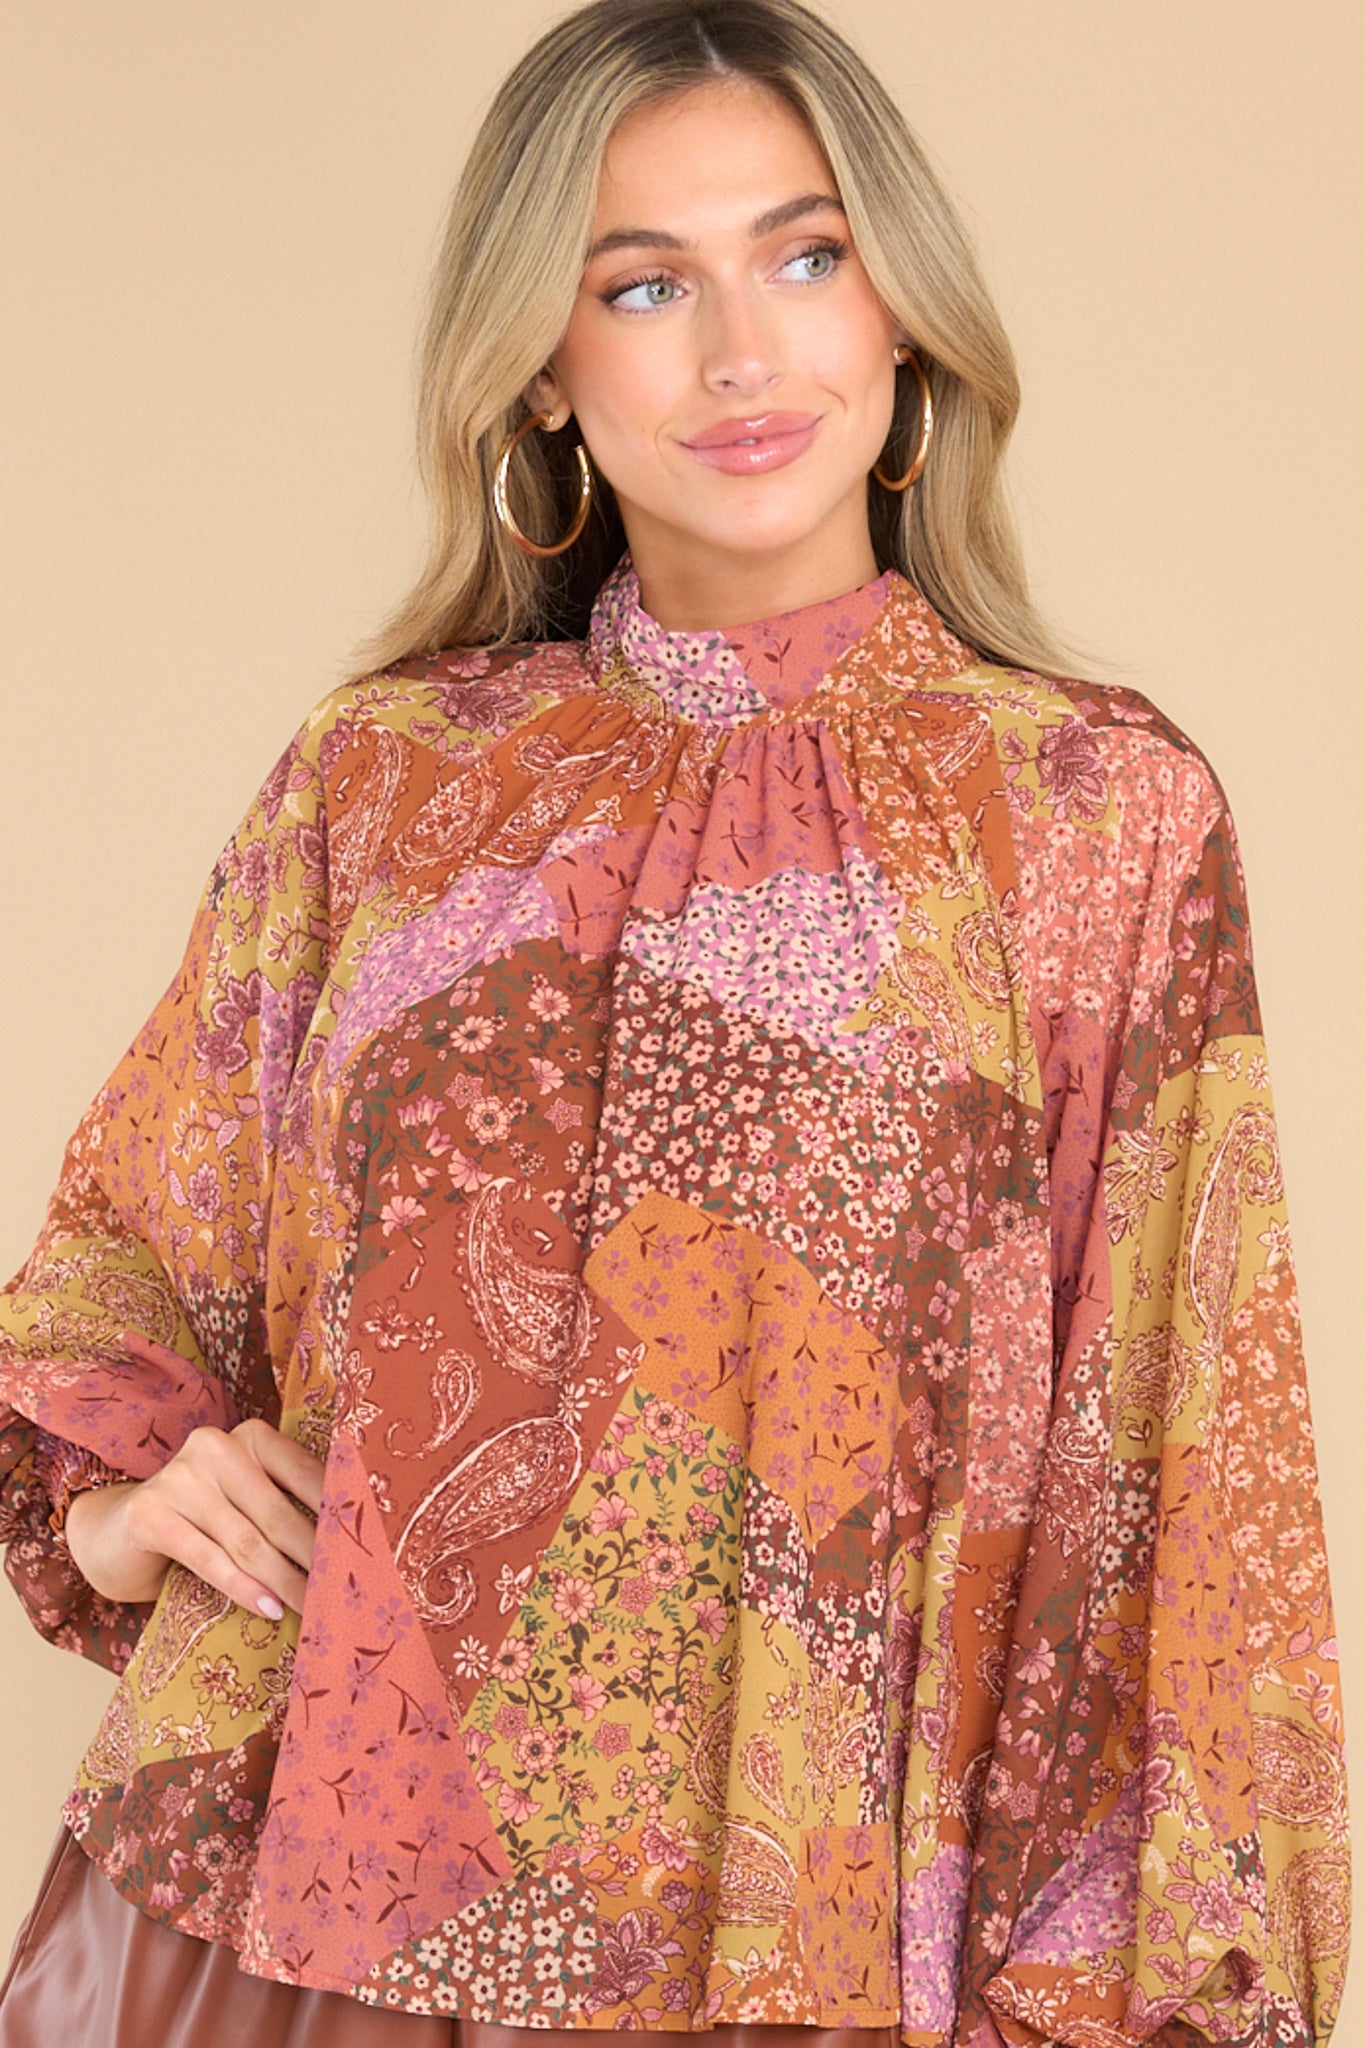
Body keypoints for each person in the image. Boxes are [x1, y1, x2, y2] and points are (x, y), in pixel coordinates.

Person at [0, 0, 1349, 2043]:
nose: (740, 353)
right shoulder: (382, 781)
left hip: (829, 1949)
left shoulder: (1096, 817)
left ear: (899, 312)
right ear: (541, 365)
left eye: (803, 257)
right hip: (313, 1930)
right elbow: (121, 1262)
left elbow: (1174, 1474)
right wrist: (117, 1502)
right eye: (642, 285)